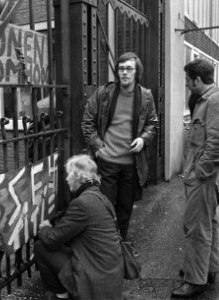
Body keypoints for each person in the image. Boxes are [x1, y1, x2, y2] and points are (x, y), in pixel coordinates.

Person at [81, 52, 158, 240]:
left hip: (131, 165)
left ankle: (120, 243)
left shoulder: (146, 96)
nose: (124, 72)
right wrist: (98, 147)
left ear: (136, 71)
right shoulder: (103, 93)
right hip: (107, 162)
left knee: (125, 208)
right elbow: (87, 121)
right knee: (105, 208)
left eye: (129, 68)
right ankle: (106, 245)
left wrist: (143, 139)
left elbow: (153, 123)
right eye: (121, 68)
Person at [172, 59, 219, 298]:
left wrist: (200, 172)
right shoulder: (207, 101)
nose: (187, 85)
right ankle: (208, 269)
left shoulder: (214, 101)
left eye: (188, 80)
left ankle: (195, 280)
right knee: (209, 225)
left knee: (197, 228)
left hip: (204, 178)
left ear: (197, 79)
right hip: (203, 177)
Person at [34, 154, 123, 300]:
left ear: (78, 177)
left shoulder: (82, 203)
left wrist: (45, 228)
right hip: (111, 276)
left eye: (69, 175)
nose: (67, 178)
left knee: (41, 246)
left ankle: (60, 296)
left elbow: (52, 239)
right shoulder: (101, 197)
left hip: (95, 279)